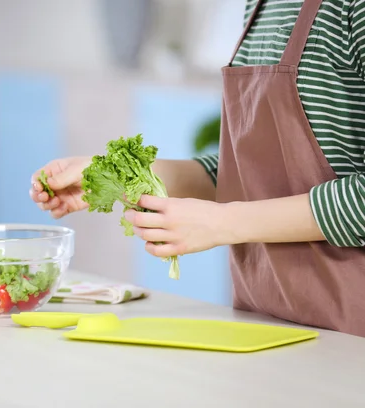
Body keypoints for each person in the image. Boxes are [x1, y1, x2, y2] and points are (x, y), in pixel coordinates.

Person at [30, 0, 365, 337]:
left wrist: (223, 223)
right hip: (268, 324)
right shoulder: (258, 6)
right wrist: (117, 173)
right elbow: (252, 174)